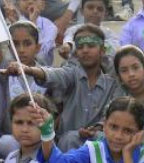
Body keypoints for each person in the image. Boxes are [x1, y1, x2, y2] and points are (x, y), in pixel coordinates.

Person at [21, 23, 117, 152]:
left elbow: (112, 114)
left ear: (102, 50)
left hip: (98, 146)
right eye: (80, 46)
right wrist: (29, 70)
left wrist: (98, 128)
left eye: (91, 46)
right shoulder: (71, 73)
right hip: (67, 145)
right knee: (70, 138)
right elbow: (54, 74)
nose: (85, 50)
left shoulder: (111, 84)